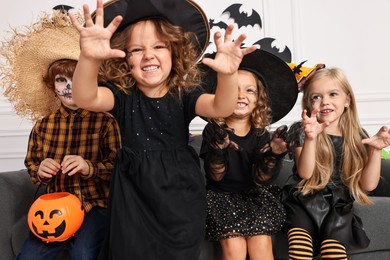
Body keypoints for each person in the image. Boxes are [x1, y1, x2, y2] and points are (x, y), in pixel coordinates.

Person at [68, 0, 256, 259]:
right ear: (125, 59)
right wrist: (88, 58)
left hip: (180, 195)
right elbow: (85, 98)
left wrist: (228, 75)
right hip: (132, 195)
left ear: (175, 53)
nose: (148, 55)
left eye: (159, 46)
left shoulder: (185, 93)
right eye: (136, 49)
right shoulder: (122, 95)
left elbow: (221, 108)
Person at [0, 9, 122, 260]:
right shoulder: (43, 126)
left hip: (94, 205)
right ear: (51, 85)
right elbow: (32, 166)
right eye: (61, 80)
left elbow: (117, 167)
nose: (69, 87)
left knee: (83, 254)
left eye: (75, 78)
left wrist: (89, 167)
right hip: (55, 208)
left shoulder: (105, 122)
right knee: (29, 256)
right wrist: (40, 168)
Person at [199, 49, 298, 260]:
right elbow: (215, 176)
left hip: (254, 198)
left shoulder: (262, 135)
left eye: (249, 91)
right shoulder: (213, 131)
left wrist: (273, 154)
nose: (241, 95)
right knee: (234, 248)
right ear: (221, 94)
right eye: (233, 89)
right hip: (220, 199)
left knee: (262, 246)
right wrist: (219, 148)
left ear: (258, 100)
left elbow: (260, 179)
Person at [282, 67, 390, 259]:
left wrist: (375, 150)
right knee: (300, 248)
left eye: (333, 94)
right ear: (308, 102)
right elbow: (306, 173)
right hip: (304, 200)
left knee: (335, 252)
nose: (325, 101)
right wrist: (310, 138)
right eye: (316, 97)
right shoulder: (301, 130)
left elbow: (368, 185)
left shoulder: (358, 136)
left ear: (347, 100)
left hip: (338, 206)